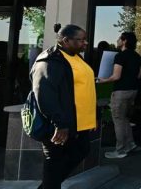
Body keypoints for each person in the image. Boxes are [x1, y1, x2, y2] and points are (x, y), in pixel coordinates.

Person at [31, 24, 96, 189]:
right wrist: (59, 123)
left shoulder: (75, 57)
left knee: (80, 151)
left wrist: (92, 116)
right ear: (66, 40)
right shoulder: (49, 61)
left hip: (78, 124)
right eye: (81, 40)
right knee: (54, 165)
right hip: (59, 126)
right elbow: (45, 94)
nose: (86, 43)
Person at [97, 31, 141, 159]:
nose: (117, 41)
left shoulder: (120, 56)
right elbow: (138, 75)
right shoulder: (137, 56)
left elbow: (116, 76)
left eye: (119, 39)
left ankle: (120, 150)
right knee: (125, 119)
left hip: (121, 91)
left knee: (118, 121)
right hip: (133, 91)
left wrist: (103, 80)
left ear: (124, 41)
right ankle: (130, 144)